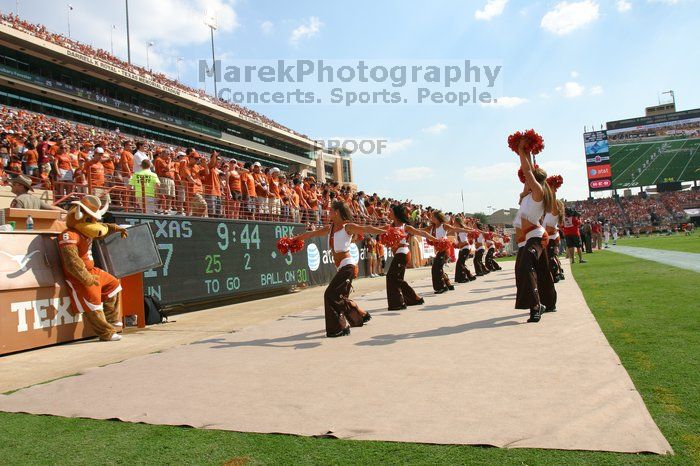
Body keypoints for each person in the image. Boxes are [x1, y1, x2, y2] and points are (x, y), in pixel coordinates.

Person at [291, 201, 386, 337]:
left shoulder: (348, 227)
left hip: (348, 266)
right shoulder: (329, 229)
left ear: (336, 212)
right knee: (341, 297)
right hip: (342, 267)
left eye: (330, 211)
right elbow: (312, 234)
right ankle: (361, 315)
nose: (328, 212)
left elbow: (367, 228)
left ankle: (339, 328)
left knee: (330, 294)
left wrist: (385, 230)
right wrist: (294, 239)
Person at [514, 139, 557, 323]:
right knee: (532, 270)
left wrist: (519, 150)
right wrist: (528, 151)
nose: (525, 180)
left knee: (526, 267)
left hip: (537, 237)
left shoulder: (538, 192)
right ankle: (549, 301)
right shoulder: (528, 194)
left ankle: (536, 305)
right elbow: (530, 169)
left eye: (528, 179)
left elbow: (527, 170)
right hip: (527, 239)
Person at [384, 204, 437, 309]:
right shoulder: (390, 226)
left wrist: (435, 239)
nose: (388, 213)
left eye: (391, 212)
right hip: (398, 253)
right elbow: (376, 230)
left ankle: (398, 303)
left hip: (403, 253)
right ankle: (414, 298)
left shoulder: (405, 227)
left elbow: (421, 232)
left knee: (391, 276)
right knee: (397, 279)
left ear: (396, 214)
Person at [422, 210, 472, 294]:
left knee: (436, 268)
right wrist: (410, 230)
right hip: (439, 250)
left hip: (444, 250)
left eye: (433, 216)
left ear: (437, 218)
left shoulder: (443, 226)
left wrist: (469, 231)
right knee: (438, 268)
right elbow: (422, 230)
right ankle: (448, 284)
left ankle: (442, 287)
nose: (431, 218)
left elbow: (455, 228)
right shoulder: (432, 227)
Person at [453, 216, 477, 283]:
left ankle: (464, 278)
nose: (453, 223)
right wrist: (457, 245)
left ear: (458, 222)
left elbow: (471, 232)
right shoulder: (456, 230)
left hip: (465, 248)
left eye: (454, 222)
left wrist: (470, 224)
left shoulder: (463, 228)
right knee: (461, 263)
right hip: (462, 248)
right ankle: (470, 276)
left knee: (460, 263)